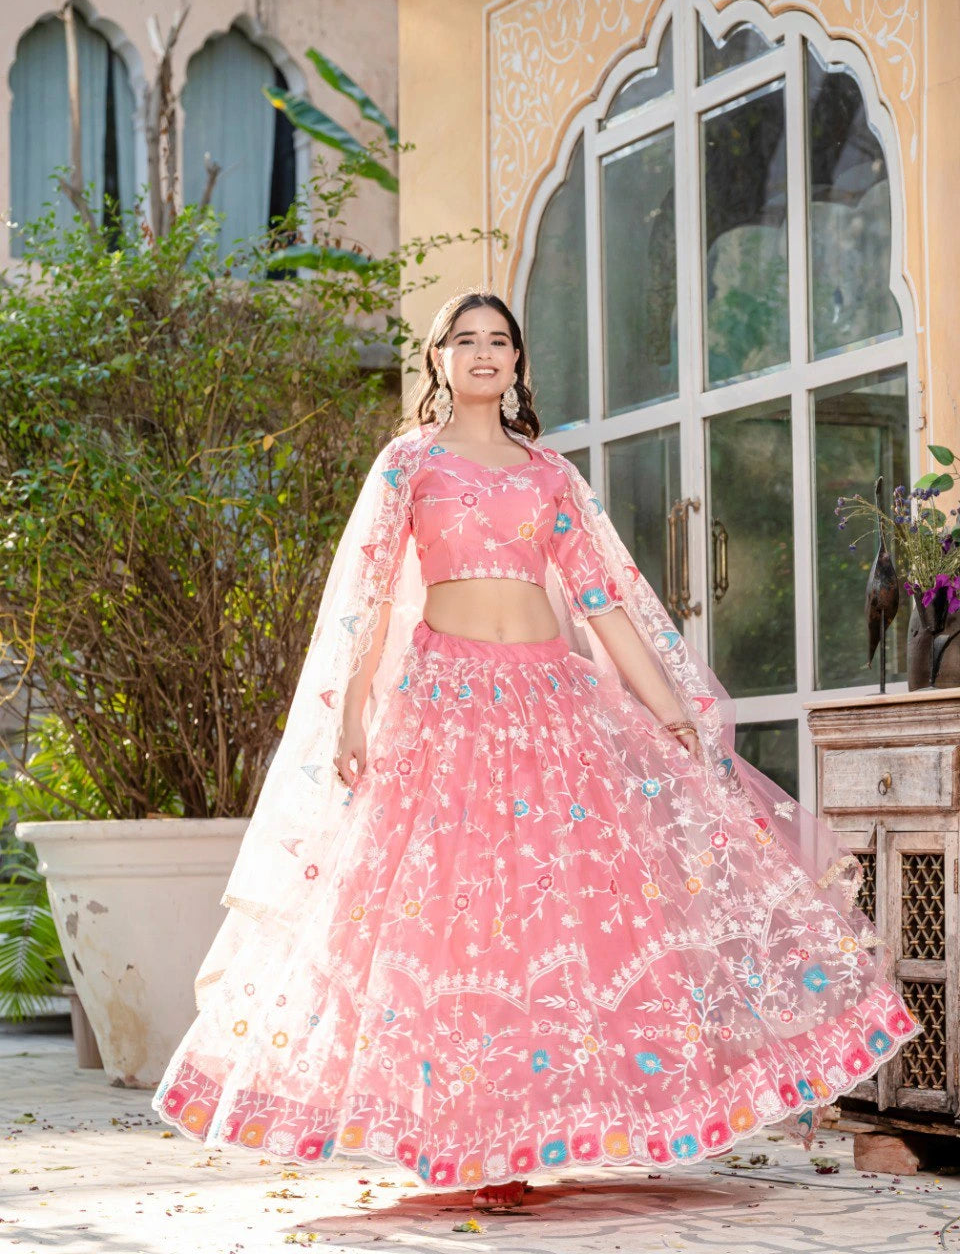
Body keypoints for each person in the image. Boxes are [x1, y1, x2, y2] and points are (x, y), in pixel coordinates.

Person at [152, 290, 920, 1212]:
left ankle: (557, 1124)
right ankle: (477, 1143)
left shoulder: (548, 473)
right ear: (440, 360)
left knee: (569, 913)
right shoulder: (409, 465)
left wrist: (672, 711)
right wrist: (354, 713)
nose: (484, 354)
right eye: (465, 341)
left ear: (519, 364)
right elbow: (365, 599)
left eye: (500, 341)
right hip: (444, 706)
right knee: (456, 918)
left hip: (552, 703)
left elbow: (601, 603)